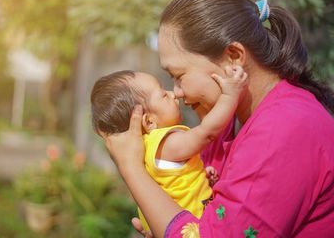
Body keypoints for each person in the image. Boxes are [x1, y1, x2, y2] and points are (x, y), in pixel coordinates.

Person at [101, 0, 334, 238]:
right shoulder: (233, 124)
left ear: (234, 56)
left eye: (179, 76)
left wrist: (131, 169)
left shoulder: (284, 127)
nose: (177, 92)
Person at [91, 66, 247, 231]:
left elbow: (172, 183)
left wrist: (199, 175)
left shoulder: (143, 151)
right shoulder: (165, 142)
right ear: (149, 122)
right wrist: (229, 95)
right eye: (164, 95)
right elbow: (206, 133)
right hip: (194, 227)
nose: (173, 94)